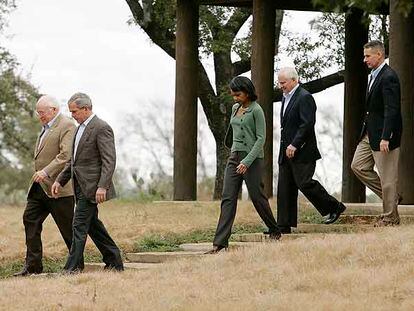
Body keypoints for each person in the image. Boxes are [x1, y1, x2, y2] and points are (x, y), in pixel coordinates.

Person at [206, 76, 281, 254]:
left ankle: (274, 230)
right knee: (228, 197)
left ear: (247, 92)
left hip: (252, 158)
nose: (235, 98)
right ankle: (220, 243)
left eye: (238, 94)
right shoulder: (235, 108)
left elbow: (261, 139)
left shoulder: (257, 110)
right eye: (233, 95)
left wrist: (246, 162)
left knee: (257, 196)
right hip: (234, 156)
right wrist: (234, 153)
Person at [51, 92, 123, 272]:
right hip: (79, 186)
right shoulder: (78, 129)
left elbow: (109, 160)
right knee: (92, 226)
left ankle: (71, 268)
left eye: (74, 111)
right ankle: (114, 261)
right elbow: (73, 162)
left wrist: (102, 186)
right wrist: (60, 181)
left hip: (92, 187)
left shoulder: (101, 127)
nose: (72, 115)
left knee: (78, 224)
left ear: (86, 109)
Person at [276, 67, 347, 233]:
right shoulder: (285, 97)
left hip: (302, 150)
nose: (281, 86)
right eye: (279, 83)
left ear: (294, 80)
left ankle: (334, 207)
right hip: (285, 150)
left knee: (304, 183)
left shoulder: (304, 97)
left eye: (283, 82)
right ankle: (283, 225)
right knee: (285, 187)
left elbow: (307, 124)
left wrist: (295, 144)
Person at [14, 95, 76, 277]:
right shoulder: (45, 127)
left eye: (41, 112)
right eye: (38, 112)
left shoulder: (67, 125)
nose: (39, 115)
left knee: (67, 229)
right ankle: (33, 266)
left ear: (54, 110)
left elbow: (66, 155)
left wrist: (46, 172)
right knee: (30, 219)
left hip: (59, 188)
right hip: (39, 188)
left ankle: (76, 265)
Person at [351, 40, 402, 226]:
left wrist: (385, 137)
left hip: (384, 136)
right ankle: (392, 197)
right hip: (369, 133)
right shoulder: (373, 75)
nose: (365, 60)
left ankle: (390, 218)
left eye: (368, 56)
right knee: (358, 166)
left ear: (379, 55)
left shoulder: (389, 76)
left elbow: (392, 109)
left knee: (388, 178)